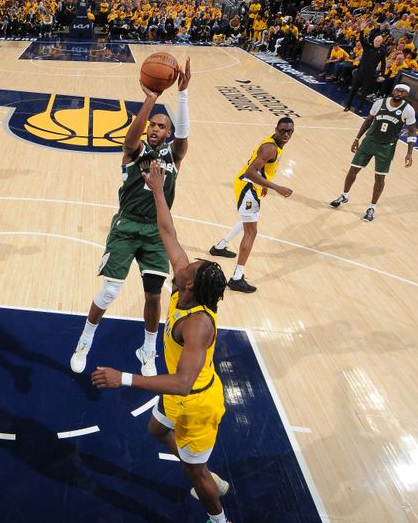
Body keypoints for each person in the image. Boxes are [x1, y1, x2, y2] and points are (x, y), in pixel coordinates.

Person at [91, 164, 231, 523]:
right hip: (180, 396)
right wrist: (157, 189)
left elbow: (183, 382)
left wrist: (124, 378)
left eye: (190, 265)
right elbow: (167, 230)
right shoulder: (186, 284)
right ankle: (197, 466)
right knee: (156, 430)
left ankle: (219, 517)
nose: (185, 261)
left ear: (188, 284)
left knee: (194, 475)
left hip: (196, 402)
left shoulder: (198, 325)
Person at [70, 58, 191, 376]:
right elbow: (129, 139)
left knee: (153, 296)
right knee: (110, 290)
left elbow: (183, 139)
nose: (155, 129)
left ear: (168, 133)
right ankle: (85, 340)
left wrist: (182, 94)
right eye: (152, 124)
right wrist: (150, 100)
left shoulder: (174, 157)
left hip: (156, 231)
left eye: (161, 126)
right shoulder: (134, 153)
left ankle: (148, 350)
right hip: (126, 224)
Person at [209, 117, 295, 293]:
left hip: (251, 186)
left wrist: (263, 184)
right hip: (247, 187)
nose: (286, 134)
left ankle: (219, 247)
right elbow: (251, 172)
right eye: (283, 131)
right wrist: (276, 187)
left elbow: (260, 169)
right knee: (251, 231)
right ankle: (237, 278)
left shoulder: (275, 146)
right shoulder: (270, 148)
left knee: (247, 222)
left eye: (289, 131)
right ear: (276, 129)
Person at [329, 83, 416, 222]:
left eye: (403, 92)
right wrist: (357, 138)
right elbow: (368, 120)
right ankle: (344, 195)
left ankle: (372, 208)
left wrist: (409, 153)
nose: (400, 94)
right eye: (398, 91)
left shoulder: (408, 110)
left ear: (406, 94)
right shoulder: (380, 103)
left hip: (386, 147)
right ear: (393, 90)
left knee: (379, 178)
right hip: (369, 142)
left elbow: (412, 132)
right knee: (353, 170)